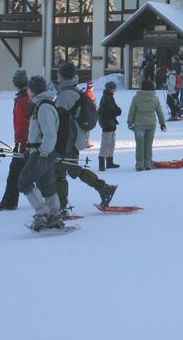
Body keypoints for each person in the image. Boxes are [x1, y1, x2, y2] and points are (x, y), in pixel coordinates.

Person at [53, 62, 117, 211]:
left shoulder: (66, 94)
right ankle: (103, 188)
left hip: (66, 139)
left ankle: (61, 206)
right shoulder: (72, 91)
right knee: (72, 169)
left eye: (58, 73)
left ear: (62, 76)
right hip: (74, 138)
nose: (57, 76)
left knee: (59, 173)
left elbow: (57, 119)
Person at [17, 75, 65, 231]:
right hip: (43, 150)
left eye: (29, 89)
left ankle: (42, 214)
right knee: (46, 185)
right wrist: (29, 150)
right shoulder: (41, 105)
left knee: (24, 182)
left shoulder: (44, 107)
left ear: (34, 90)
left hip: (45, 151)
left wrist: (43, 154)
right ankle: (54, 215)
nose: (28, 92)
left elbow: (50, 134)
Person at [0, 70, 32, 211]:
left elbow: (28, 123)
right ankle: (9, 201)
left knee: (26, 174)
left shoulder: (26, 99)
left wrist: (26, 142)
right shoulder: (22, 98)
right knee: (15, 172)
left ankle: (10, 202)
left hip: (27, 143)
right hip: (21, 142)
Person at [127, 79, 167, 170]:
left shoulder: (136, 98)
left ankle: (140, 164)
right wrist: (162, 123)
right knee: (149, 144)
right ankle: (148, 163)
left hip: (139, 124)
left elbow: (132, 111)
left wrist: (130, 122)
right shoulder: (155, 98)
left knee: (140, 145)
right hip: (151, 123)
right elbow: (159, 112)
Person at [97, 81, 122, 170]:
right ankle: (101, 164)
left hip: (111, 123)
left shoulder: (110, 97)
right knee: (105, 143)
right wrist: (117, 111)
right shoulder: (105, 98)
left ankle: (109, 162)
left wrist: (117, 110)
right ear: (110, 89)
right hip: (107, 123)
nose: (115, 90)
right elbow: (110, 110)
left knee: (111, 143)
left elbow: (115, 108)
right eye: (114, 88)